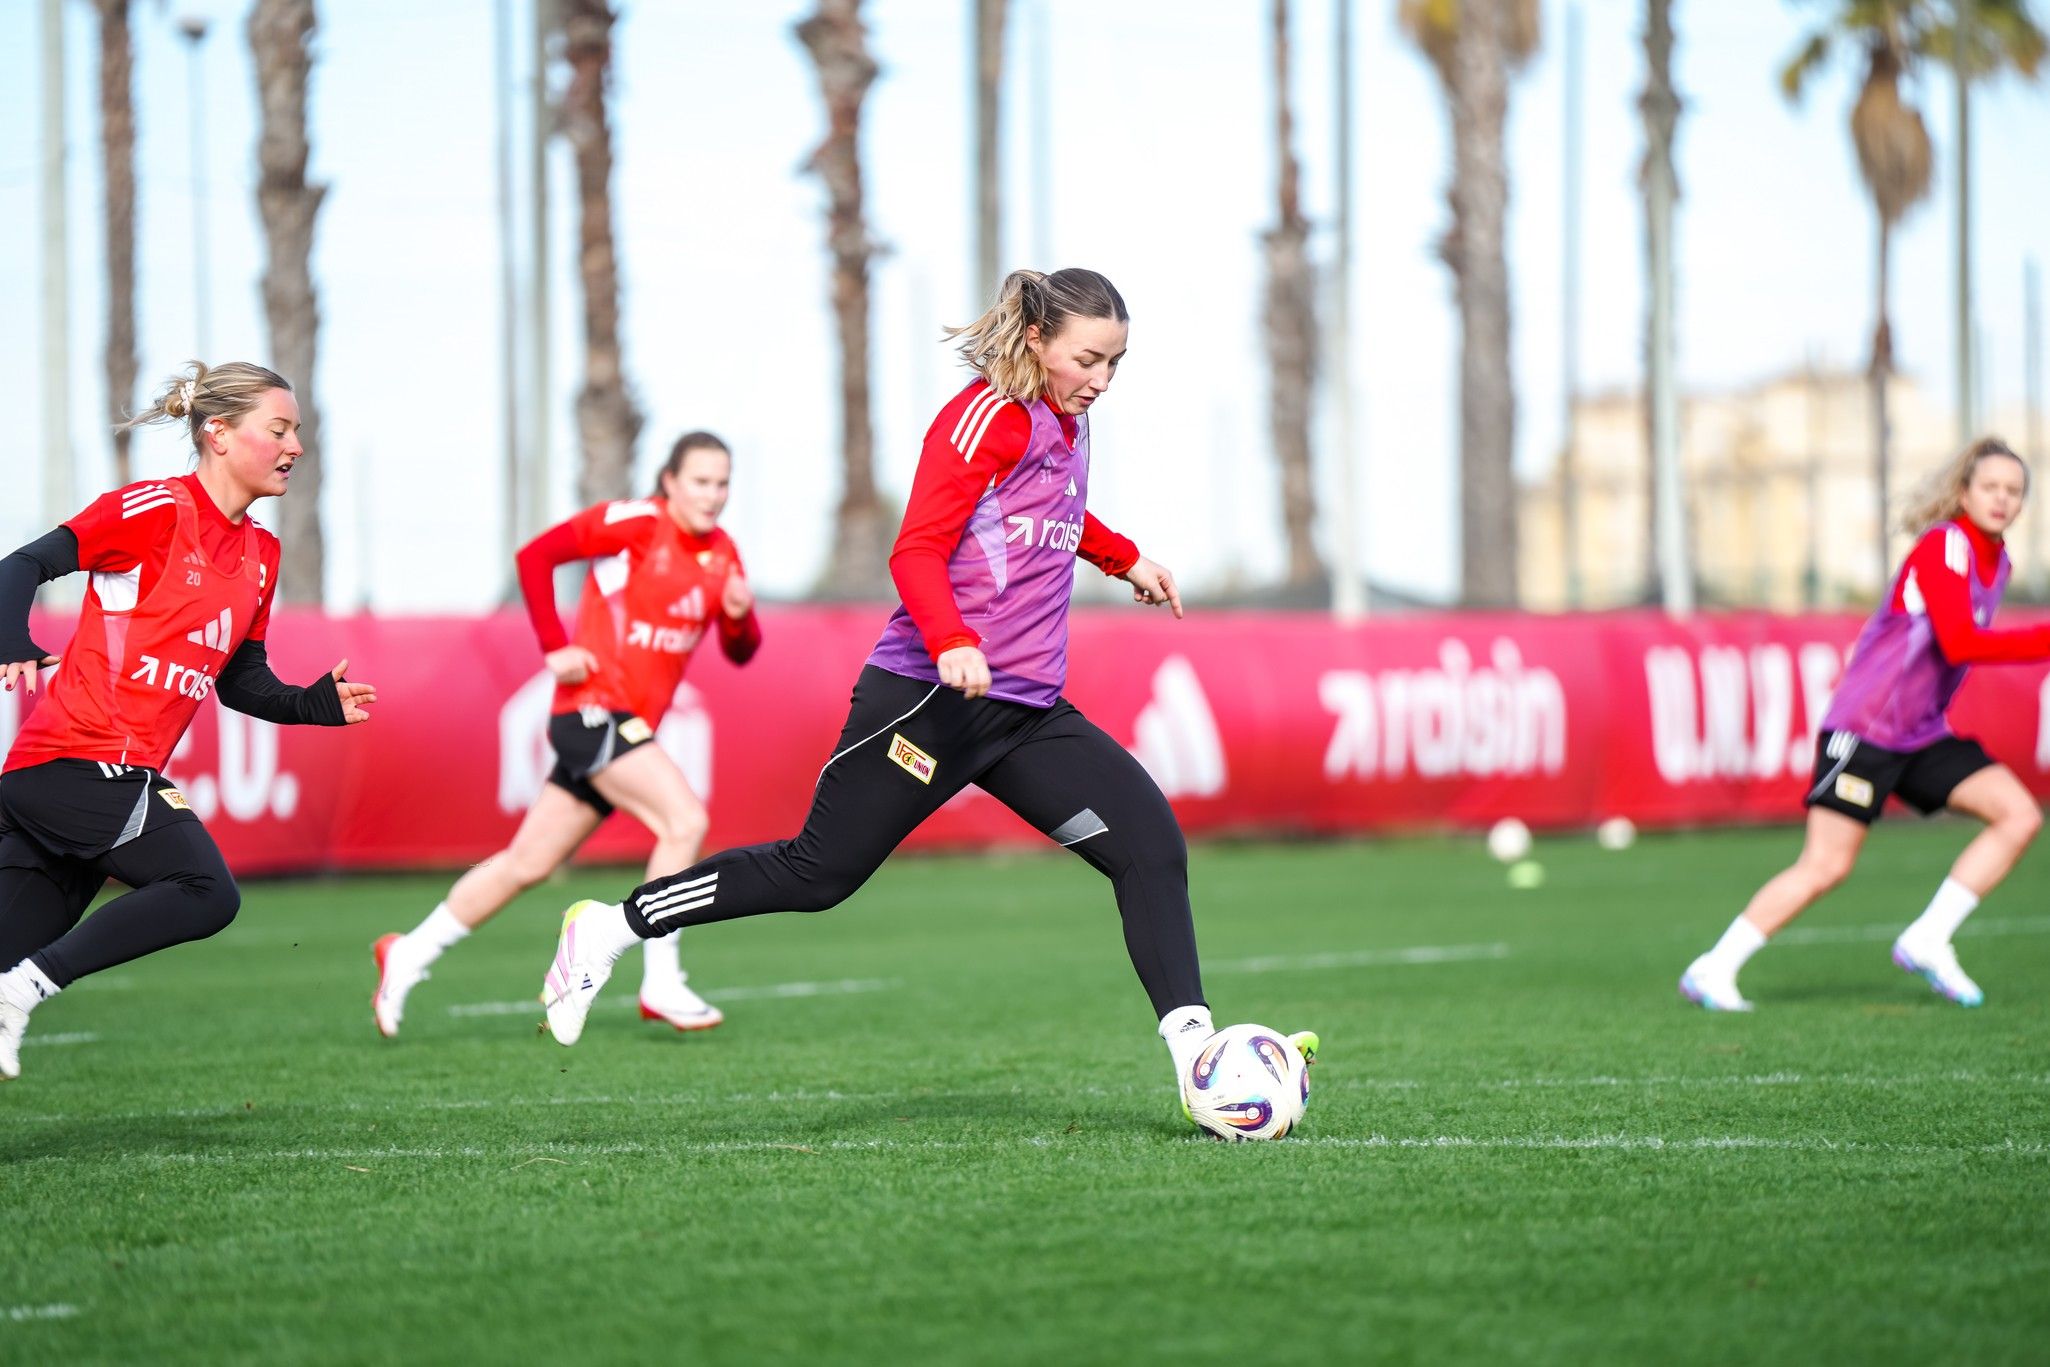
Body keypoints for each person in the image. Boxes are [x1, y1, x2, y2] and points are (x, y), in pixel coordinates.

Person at [532, 268, 1316, 1110]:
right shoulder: (983, 417)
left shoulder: (1069, 424)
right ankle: (607, 928)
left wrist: (1128, 560)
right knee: (817, 873)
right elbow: (916, 550)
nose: (1103, 379)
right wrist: (951, 642)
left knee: (1149, 844)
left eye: (1117, 363)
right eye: (1089, 358)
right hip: (929, 699)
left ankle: (1198, 1064)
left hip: (1025, 710)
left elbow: (1052, 515)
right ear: (1037, 342)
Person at [0, 361, 376, 1080]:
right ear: (219, 433)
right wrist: (10, 641)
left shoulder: (262, 556)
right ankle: (20, 992)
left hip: (83, 786)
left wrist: (312, 704)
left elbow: (242, 683)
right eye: (279, 429)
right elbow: (19, 566)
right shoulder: (152, 510)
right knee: (206, 889)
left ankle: (12, 982)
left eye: (296, 430)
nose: (296, 446)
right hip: (75, 765)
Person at [371, 432, 761, 1038]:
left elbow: (742, 652)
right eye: (702, 481)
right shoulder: (637, 523)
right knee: (683, 821)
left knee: (526, 863)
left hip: (625, 729)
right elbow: (536, 556)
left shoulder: (723, 553)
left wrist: (739, 615)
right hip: (594, 711)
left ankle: (408, 953)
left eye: (723, 483)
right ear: (669, 482)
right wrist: (556, 646)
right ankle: (661, 979)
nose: (714, 495)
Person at [1681, 436, 2048, 1012]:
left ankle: (1929, 937)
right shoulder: (1943, 547)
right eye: (1990, 487)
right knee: (1826, 865)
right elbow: (1958, 641)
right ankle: (1714, 967)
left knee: (2019, 814)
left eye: (2014, 491)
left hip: (1922, 732)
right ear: (1963, 492)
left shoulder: (1998, 561)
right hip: (1868, 729)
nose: (2002, 499)